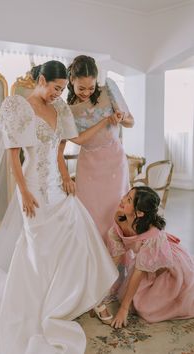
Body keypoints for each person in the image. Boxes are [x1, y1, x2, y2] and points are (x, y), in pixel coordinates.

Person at [0, 60, 118, 354]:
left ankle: (70, 298)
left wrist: (67, 176)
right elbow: (14, 156)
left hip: (58, 185)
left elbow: (60, 148)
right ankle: (38, 303)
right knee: (39, 247)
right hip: (32, 186)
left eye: (62, 89)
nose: (60, 93)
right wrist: (24, 192)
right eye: (56, 88)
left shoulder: (60, 108)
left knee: (75, 234)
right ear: (42, 79)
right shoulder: (18, 106)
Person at [61, 55, 134, 243]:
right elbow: (76, 140)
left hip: (114, 160)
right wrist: (103, 122)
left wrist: (121, 116)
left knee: (116, 209)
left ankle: (118, 259)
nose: (86, 92)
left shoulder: (108, 90)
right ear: (71, 81)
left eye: (91, 88)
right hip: (89, 164)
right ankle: (94, 261)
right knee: (89, 211)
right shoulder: (67, 109)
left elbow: (130, 122)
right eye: (81, 88)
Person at [105, 186, 194, 329]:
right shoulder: (120, 216)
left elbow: (138, 271)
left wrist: (123, 309)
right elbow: (117, 254)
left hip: (166, 266)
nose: (122, 199)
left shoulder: (152, 236)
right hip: (145, 261)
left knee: (147, 309)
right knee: (128, 294)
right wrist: (103, 283)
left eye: (128, 200)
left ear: (139, 212)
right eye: (126, 195)